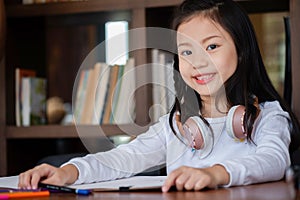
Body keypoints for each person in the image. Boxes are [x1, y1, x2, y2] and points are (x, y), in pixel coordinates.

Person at [18, 0, 300, 192]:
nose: (197, 61)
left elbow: (273, 160)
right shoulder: (176, 127)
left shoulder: (268, 116)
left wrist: (215, 173)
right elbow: (122, 158)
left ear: (241, 50)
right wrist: (69, 172)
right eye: (186, 52)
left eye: (211, 46)